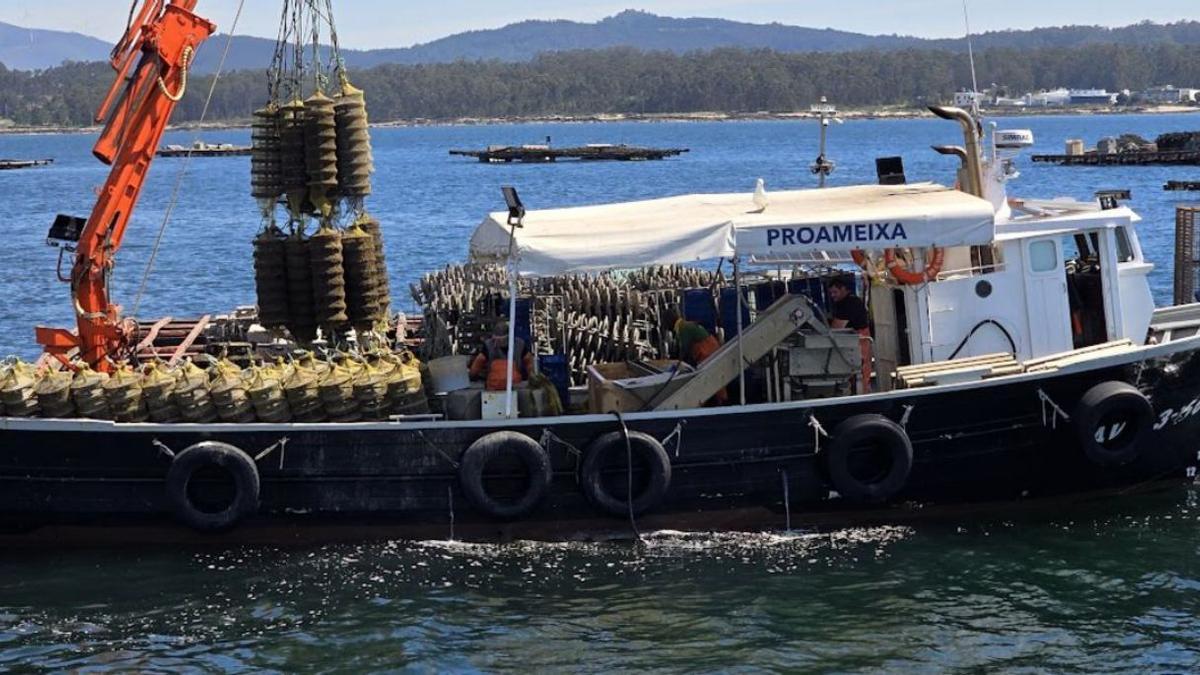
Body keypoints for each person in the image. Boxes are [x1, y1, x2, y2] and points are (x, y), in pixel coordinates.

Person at [664, 309, 728, 405]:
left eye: (666, 323)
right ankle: (720, 401)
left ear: (670, 321)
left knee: (712, 378)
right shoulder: (683, 326)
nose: (666, 327)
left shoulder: (683, 328)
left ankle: (721, 403)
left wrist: (675, 366)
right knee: (714, 379)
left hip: (708, 351)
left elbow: (684, 350)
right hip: (710, 349)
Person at [826, 277, 873, 393]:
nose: (832, 295)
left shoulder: (849, 303)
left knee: (860, 369)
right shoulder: (844, 302)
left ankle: (862, 394)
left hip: (859, 338)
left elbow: (836, 327)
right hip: (853, 339)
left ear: (843, 289)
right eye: (831, 293)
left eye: (835, 292)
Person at [468, 321, 535, 391]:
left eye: (501, 340)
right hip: (493, 386)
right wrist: (471, 376)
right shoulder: (488, 345)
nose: (498, 342)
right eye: (496, 339)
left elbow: (529, 361)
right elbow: (479, 362)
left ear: (509, 337)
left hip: (515, 386)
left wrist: (532, 376)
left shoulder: (519, 344)